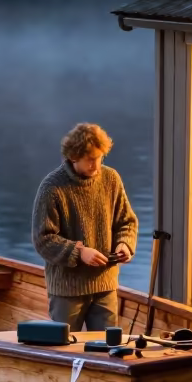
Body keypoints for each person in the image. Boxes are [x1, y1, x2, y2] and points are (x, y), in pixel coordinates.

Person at [31, 122, 138, 331]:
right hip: (67, 291)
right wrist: (79, 252)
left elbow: (127, 222)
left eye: (100, 158)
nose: (96, 166)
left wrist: (125, 244)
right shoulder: (52, 187)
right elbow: (43, 239)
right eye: (90, 159)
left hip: (105, 286)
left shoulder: (111, 179)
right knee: (63, 346)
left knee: (107, 347)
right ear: (73, 156)